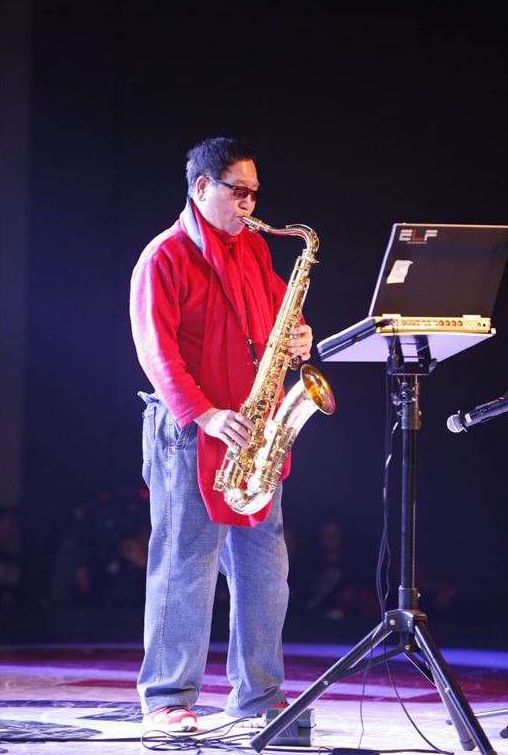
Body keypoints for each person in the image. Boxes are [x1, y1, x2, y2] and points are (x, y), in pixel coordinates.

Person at [129, 137, 313, 732]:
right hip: (192, 432)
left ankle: (259, 697)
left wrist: (299, 335)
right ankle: (166, 699)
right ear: (202, 187)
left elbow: (281, 311)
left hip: (253, 433)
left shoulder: (253, 248)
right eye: (239, 192)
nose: (249, 204)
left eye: (254, 193)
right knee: (186, 564)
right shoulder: (165, 255)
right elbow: (156, 352)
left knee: (265, 570)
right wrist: (206, 414)